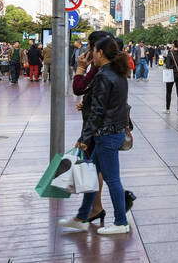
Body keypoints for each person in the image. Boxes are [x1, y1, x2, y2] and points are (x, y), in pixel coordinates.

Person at [58, 35, 132, 235]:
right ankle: (82, 217)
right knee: (91, 176)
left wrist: (85, 138)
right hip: (112, 132)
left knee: (112, 179)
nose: (92, 55)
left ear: (100, 53)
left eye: (94, 51)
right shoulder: (119, 73)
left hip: (105, 135)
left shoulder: (103, 75)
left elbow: (98, 111)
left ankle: (120, 222)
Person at [163, 40, 178, 112]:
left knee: (168, 92)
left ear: (174, 45)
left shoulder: (171, 54)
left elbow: (167, 65)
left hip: (171, 74)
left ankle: (168, 109)